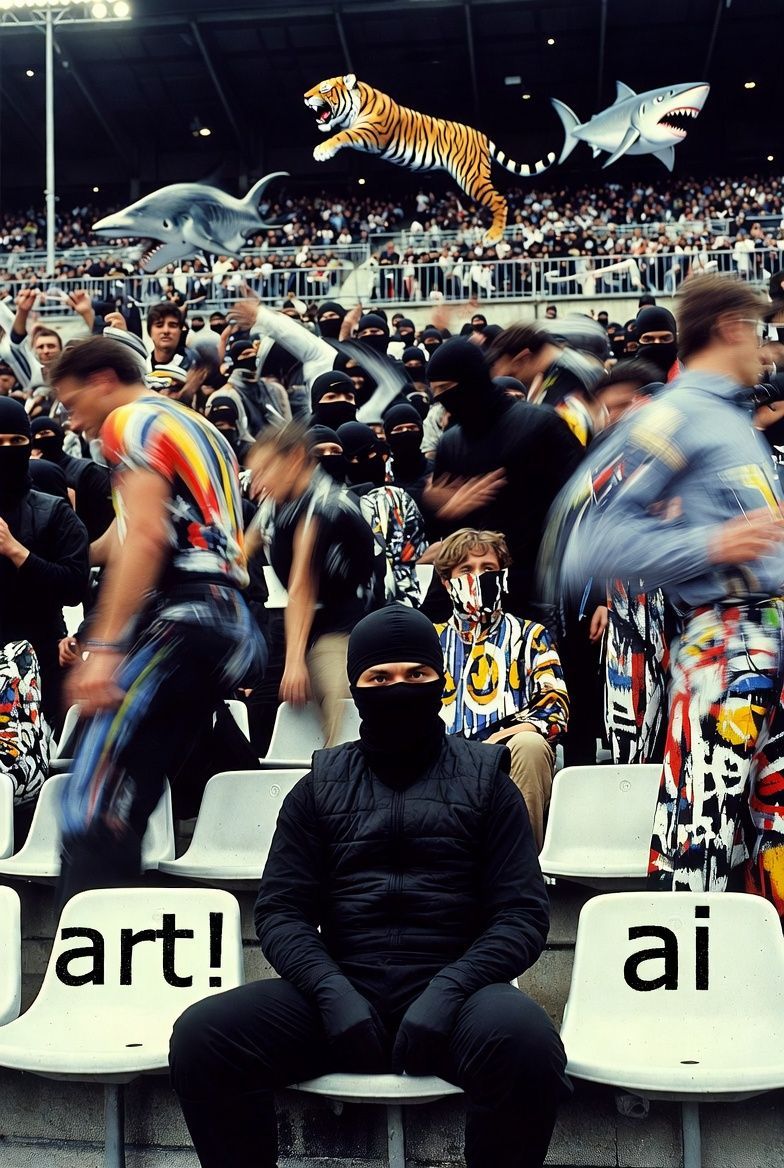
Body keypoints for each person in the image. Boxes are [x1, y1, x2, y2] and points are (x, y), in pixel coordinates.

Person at [169, 603, 571, 1168]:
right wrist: (331, 991)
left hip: (456, 999)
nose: (398, 687)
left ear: (441, 682)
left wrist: (450, 989)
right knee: (204, 1037)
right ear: (356, 688)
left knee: (528, 1043)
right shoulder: (317, 788)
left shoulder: (489, 783)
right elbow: (281, 911)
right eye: (379, 678)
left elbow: (522, 915)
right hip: (343, 992)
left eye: (416, 675)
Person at [561, 274, 784, 914]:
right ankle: (688, 993)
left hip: (762, 638)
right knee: (703, 836)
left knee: (771, 822)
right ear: (733, 329)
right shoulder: (673, 415)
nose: (767, 352)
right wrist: (709, 547)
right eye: (760, 334)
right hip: (724, 644)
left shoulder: (730, 420)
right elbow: (586, 542)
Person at [48, 336, 267, 902]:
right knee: (129, 796)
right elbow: (133, 533)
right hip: (228, 621)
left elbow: (145, 537)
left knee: (91, 802)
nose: (73, 422)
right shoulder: (194, 425)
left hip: (186, 617)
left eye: (72, 405)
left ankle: (95, 967)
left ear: (101, 380)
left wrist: (107, 646)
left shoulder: (130, 421)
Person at [423, 337, 583, 619]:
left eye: (446, 390)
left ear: (471, 380)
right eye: (435, 392)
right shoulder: (451, 443)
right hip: (477, 595)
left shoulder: (541, 425)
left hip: (545, 588)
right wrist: (441, 509)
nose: (441, 400)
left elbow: (583, 502)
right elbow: (449, 529)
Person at [433, 529, 568, 850]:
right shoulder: (429, 640)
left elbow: (555, 709)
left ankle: (521, 878)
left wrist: (495, 741)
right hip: (442, 757)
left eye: (488, 570)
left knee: (530, 746)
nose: (478, 578)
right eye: (466, 570)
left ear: (503, 576)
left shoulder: (531, 635)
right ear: (446, 581)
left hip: (511, 753)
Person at [247, 420, 374, 745]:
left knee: (340, 703)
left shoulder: (322, 506)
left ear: (293, 460)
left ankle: (344, 785)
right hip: (294, 623)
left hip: (344, 628)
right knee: (258, 711)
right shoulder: (275, 500)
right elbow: (243, 550)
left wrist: (293, 663)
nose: (255, 482)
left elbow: (302, 589)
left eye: (263, 470)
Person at [0, 397, 89, 729]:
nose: (7, 450)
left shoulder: (53, 511)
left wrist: (17, 552)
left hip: (40, 662)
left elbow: (74, 586)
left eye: (17, 442)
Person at [338, 420, 428, 607]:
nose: (360, 462)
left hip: (402, 603)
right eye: (352, 458)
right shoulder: (332, 507)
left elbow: (416, 553)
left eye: (369, 454)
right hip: (350, 608)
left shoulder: (398, 500)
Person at [29, 416, 114, 541]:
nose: (38, 439)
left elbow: (105, 522)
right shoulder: (31, 474)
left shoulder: (89, 471)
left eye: (44, 433)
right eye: (33, 437)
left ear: (58, 435)